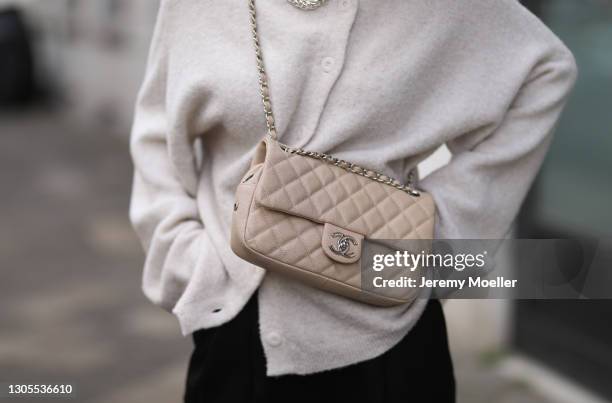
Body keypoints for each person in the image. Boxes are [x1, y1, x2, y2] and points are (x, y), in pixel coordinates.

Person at [129, 0, 577, 402]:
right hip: (232, 331)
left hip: (385, 338)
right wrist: (184, 259)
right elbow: (158, 137)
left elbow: (545, 69)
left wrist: (440, 246)